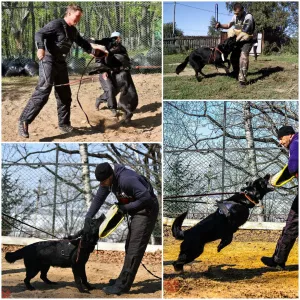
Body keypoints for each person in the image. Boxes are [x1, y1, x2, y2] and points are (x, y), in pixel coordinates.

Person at [18, 4, 107, 138]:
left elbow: (83, 43)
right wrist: (40, 48)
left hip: (61, 63)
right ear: (69, 14)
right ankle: (24, 121)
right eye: (77, 17)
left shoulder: (73, 30)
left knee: (65, 95)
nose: (78, 20)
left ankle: (64, 124)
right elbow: (39, 33)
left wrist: (94, 52)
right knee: (43, 90)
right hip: (48, 60)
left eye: (79, 18)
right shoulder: (56, 24)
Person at [84, 162, 159, 295]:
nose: (102, 185)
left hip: (146, 211)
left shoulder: (126, 180)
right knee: (129, 246)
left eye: (103, 181)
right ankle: (122, 279)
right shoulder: (108, 180)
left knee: (134, 249)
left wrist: (126, 208)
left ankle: (122, 285)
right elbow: (99, 198)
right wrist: (88, 217)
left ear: (110, 176)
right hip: (136, 211)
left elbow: (147, 198)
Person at [261, 126, 298, 270]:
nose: (280, 142)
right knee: (292, 224)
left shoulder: (296, 143)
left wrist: (273, 181)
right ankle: (278, 260)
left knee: (292, 224)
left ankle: (278, 261)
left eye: (281, 139)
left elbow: (293, 167)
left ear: (289, 135)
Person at [215, 3, 255, 87]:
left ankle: (242, 80)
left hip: (246, 40)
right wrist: (220, 25)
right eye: (234, 13)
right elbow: (229, 25)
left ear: (242, 10)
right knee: (233, 58)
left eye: (237, 13)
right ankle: (236, 72)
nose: (236, 15)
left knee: (243, 58)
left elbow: (244, 32)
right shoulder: (235, 17)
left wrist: (232, 41)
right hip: (238, 41)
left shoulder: (248, 17)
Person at [94, 31, 129, 116]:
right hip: (105, 72)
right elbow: (98, 61)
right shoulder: (104, 47)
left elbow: (126, 60)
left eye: (118, 38)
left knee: (115, 90)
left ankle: (100, 99)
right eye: (114, 38)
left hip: (116, 73)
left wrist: (126, 67)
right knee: (110, 88)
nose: (117, 40)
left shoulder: (122, 49)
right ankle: (113, 108)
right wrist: (103, 71)